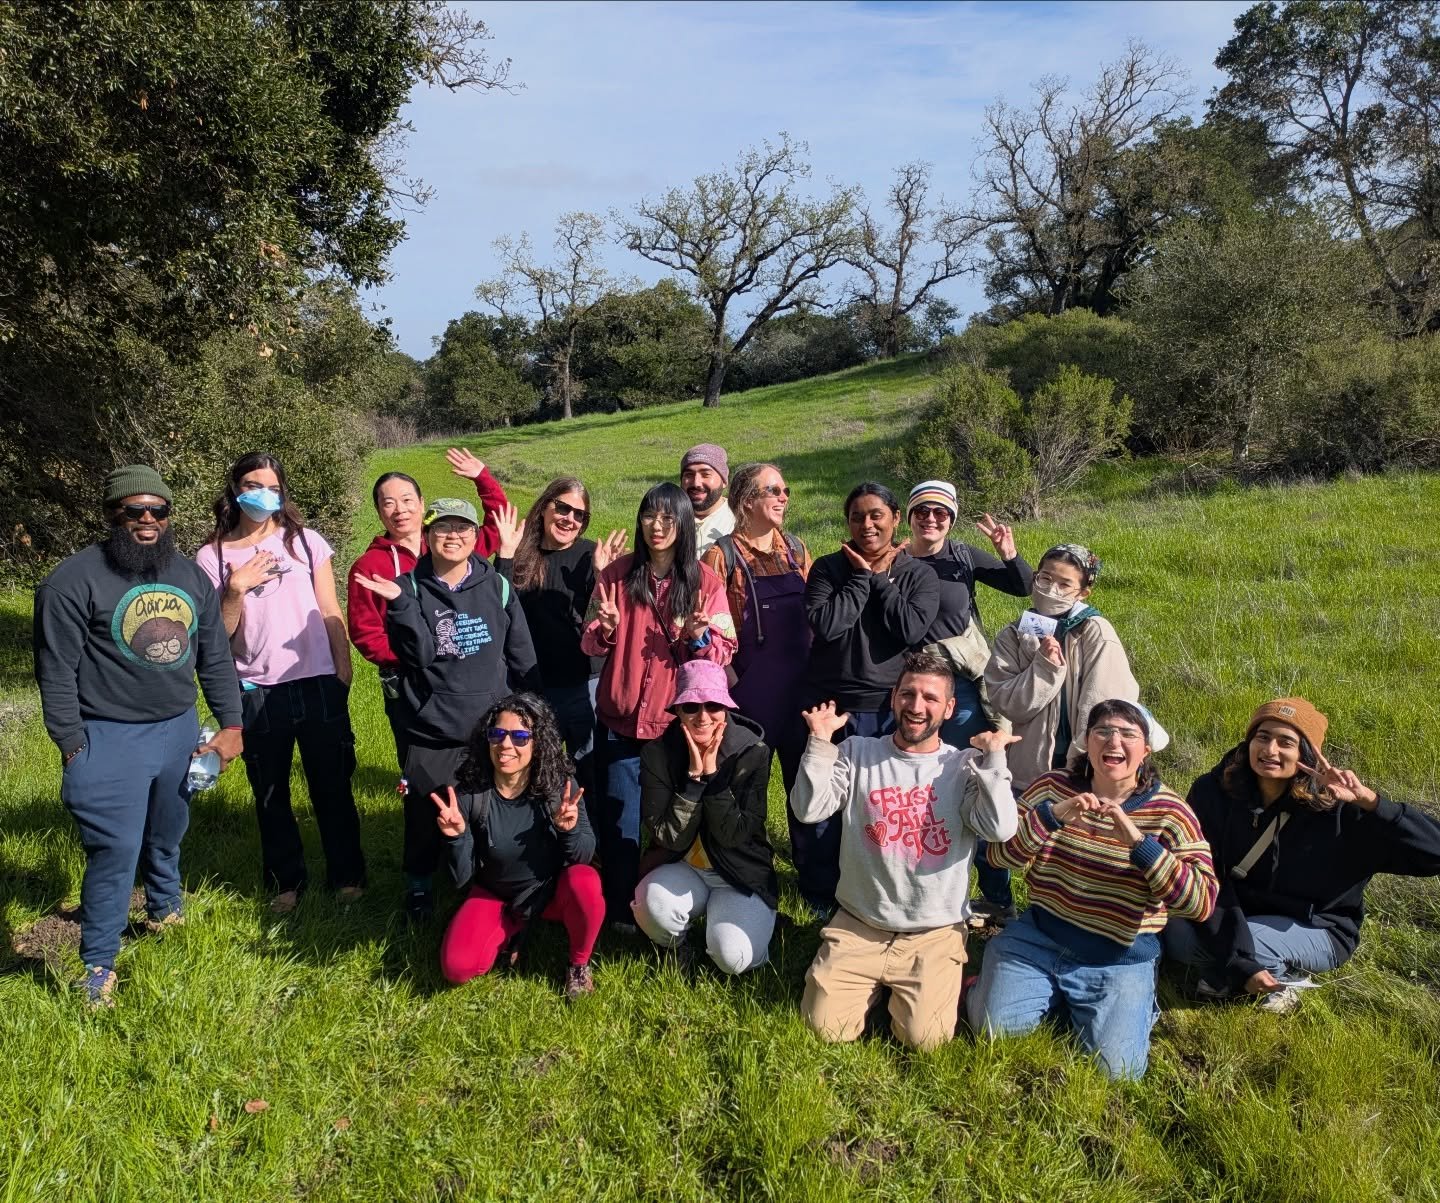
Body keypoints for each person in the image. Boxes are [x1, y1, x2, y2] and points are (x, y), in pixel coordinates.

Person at [33, 466, 244, 1006]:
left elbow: (213, 655)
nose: (147, 521)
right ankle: (98, 963)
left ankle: (164, 907)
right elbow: (55, 671)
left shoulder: (188, 575)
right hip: (107, 735)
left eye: (158, 511)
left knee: (169, 826)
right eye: (134, 511)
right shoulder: (73, 580)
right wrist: (73, 745)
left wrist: (231, 723)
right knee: (115, 850)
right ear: (112, 515)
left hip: (176, 727)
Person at [967, 700, 1217, 1080]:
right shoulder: (1052, 787)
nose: (1113, 741)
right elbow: (1000, 857)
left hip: (1118, 956)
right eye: (1103, 731)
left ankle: (1123, 1004)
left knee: (1117, 1073)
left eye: (1128, 734)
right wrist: (1051, 817)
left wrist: (1139, 843)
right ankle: (1017, 988)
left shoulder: (1170, 812)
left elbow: (1200, 903)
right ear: (1087, 742)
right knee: (993, 1032)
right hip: (1040, 936)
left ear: (1145, 750)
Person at [792, 651, 1020, 1051]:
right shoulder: (859, 753)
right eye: (908, 694)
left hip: (933, 932)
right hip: (860, 922)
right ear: (893, 697)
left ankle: (938, 982)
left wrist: (995, 759)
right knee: (823, 1029)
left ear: (949, 708)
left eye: (931, 698)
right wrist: (819, 743)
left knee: (925, 1041)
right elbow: (808, 810)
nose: (917, 707)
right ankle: (870, 986)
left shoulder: (964, 766)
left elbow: (1000, 828)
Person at [1166, 697, 1440, 1015]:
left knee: (1253, 945)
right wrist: (1235, 953)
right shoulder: (1213, 792)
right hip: (1233, 909)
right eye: (1263, 737)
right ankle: (1240, 972)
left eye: (1286, 743)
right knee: (1177, 936)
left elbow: (1434, 851)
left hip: (1316, 926)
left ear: (1306, 755)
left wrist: (1372, 803)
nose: (1270, 751)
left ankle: (1276, 980)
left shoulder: (1340, 809)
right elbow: (1206, 875)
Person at [352, 498, 539, 921]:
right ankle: (419, 887)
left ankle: (486, 882)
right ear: (427, 535)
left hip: (491, 729)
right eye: (442, 528)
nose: (452, 536)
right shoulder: (410, 587)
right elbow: (420, 655)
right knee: (424, 811)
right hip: (432, 727)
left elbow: (521, 651)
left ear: (476, 536)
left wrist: (533, 707)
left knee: (492, 810)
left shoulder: (497, 585)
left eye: (462, 528)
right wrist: (400, 605)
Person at [197, 452, 366, 915]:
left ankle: (348, 876)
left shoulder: (306, 543)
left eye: (272, 487)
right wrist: (235, 589)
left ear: (282, 493)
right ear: (234, 489)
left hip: (317, 682)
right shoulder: (211, 556)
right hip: (255, 689)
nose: (263, 494)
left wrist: (342, 667)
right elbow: (219, 636)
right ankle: (285, 882)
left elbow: (330, 606)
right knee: (270, 792)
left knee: (332, 785)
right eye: (253, 484)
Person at [580, 482, 735, 929]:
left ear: (684, 523)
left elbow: (725, 651)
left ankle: (673, 904)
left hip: (676, 724)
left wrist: (700, 638)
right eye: (650, 516)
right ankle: (621, 913)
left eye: (669, 518)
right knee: (620, 819)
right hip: (620, 720)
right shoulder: (616, 576)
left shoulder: (706, 584)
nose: (658, 526)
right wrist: (606, 627)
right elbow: (588, 640)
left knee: (676, 820)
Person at [798, 481, 940, 917]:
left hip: (890, 708)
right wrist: (861, 577)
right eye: (857, 516)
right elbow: (828, 625)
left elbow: (910, 629)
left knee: (884, 803)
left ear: (896, 519)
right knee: (823, 802)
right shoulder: (827, 569)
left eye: (876, 514)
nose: (866, 524)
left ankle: (886, 887)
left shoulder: (918, 574)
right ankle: (821, 893)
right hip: (832, 708)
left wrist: (880, 580)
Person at [906, 480, 1033, 925]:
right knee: (920, 789)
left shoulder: (961, 556)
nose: (931, 519)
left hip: (961, 690)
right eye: (923, 511)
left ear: (952, 518)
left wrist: (1007, 551)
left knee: (972, 785)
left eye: (941, 513)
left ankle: (997, 898)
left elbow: (1024, 587)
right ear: (910, 515)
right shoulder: (897, 559)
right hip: (913, 690)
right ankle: (928, 886)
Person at [431, 694, 603, 1001]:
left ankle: (578, 965)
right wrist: (456, 837)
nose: (506, 745)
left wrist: (569, 829)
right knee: (457, 968)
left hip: (548, 893)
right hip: (494, 893)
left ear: (538, 743)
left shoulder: (557, 788)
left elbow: (584, 855)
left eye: (520, 736)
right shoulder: (471, 792)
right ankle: (513, 928)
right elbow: (461, 880)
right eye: (497, 734)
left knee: (586, 882)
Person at [346, 449, 508, 770]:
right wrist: (413, 657)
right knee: (419, 766)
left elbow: (500, 523)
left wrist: (482, 478)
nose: (399, 510)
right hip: (409, 682)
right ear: (379, 512)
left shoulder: (450, 545)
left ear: (422, 504)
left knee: (478, 759)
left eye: (407, 500)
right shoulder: (369, 566)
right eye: (388, 503)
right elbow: (366, 634)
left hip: (463, 675)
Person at [632, 661, 777, 974]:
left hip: (739, 871)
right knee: (650, 904)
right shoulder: (657, 754)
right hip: (683, 864)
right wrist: (694, 784)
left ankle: (748, 928)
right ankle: (677, 946)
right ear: (678, 710)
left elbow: (733, 835)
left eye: (713, 705)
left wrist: (714, 776)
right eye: (691, 706)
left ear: (726, 707)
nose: (703, 716)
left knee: (733, 957)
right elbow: (668, 837)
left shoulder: (753, 753)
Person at [492, 478, 626, 773]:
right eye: (563, 508)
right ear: (544, 507)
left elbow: (603, 623)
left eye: (580, 515)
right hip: (530, 683)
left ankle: (585, 819)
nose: (570, 519)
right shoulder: (519, 552)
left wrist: (603, 576)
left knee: (587, 766)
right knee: (534, 769)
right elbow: (495, 609)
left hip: (582, 683)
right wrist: (504, 556)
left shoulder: (591, 557)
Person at [701, 463, 812, 779]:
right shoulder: (721, 557)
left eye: (785, 491)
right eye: (774, 490)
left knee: (806, 790)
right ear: (747, 500)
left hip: (800, 692)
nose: (784, 498)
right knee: (745, 793)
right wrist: (737, 686)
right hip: (750, 696)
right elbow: (707, 631)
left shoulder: (796, 551)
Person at [680, 443, 735, 556]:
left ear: (724, 481)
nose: (696, 483)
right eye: (689, 475)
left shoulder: (739, 520)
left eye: (706, 475)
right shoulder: (667, 518)